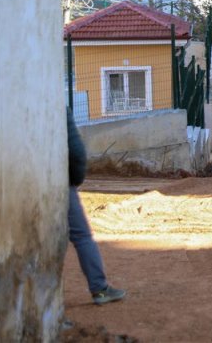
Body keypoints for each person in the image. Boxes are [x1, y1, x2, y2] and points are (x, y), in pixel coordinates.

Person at [67, 109, 126, 305]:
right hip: (59, 184)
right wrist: (74, 180)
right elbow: (76, 152)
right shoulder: (53, 105)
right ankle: (99, 289)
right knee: (82, 236)